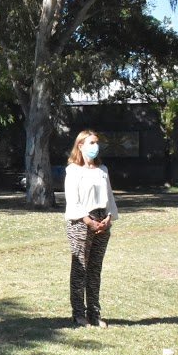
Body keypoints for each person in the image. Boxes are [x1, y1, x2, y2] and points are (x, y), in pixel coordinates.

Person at [64, 130, 119, 328]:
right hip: (81, 222)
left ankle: (94, 313)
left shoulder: (102, 170)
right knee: (80, 269)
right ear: (81, 146)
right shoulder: (73, 171)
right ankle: (79, 314)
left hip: (102, 219)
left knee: (95, 270)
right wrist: (88, 221)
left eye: (97, 142)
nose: (96, 146)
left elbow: (110, 197)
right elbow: (73, 201)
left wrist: (109, 218)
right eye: (92, 142)